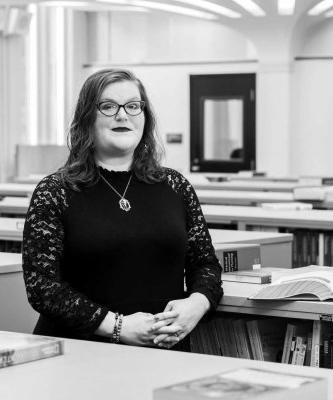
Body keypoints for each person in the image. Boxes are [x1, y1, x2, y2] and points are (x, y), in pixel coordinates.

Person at [22, 68, 223, 350]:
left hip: (165, 352)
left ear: (144, 116)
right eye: (107, 106)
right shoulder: (55, 192)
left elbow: (205, 264)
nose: (122, 115)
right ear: (86, 118)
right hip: (81, 352)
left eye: (133, 105)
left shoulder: (176, 186)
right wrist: (117, 326)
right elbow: (42, 287)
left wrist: (197, 303)